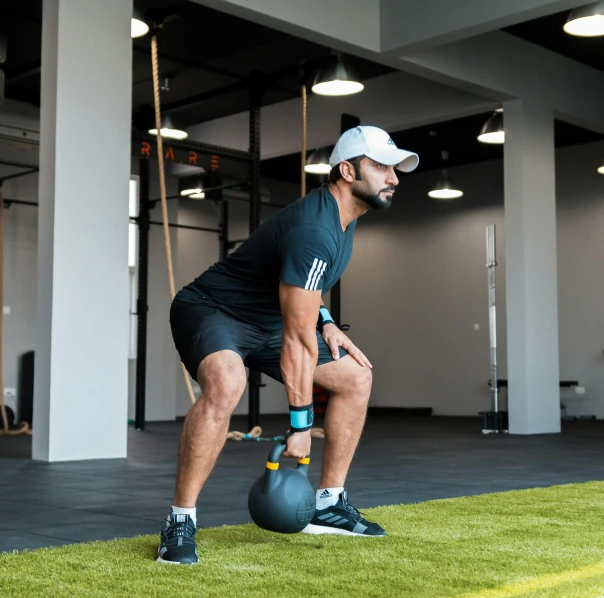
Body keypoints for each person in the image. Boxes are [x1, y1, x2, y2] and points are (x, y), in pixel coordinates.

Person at [157, 125, 419, 564]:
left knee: (355, 377)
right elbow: (298, 340)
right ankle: (180, 520)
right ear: (348, 170)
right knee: (226, 382)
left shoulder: (345, 219)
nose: (393, 178)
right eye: (381, 167)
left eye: (395, 169)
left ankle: (328, 504)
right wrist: (300, 426)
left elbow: (305, 289)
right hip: (213, 310)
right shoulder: (315, 227)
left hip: (270, 320)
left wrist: (329, 320)